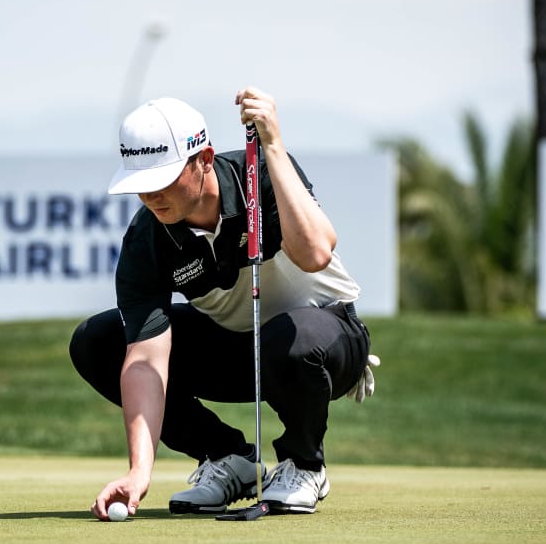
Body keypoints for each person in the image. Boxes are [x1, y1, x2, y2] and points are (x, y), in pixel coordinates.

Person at [70, 87, 377, 521]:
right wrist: (141, 469)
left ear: (205, 160)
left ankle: (305, 464)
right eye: (141, 185)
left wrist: (273, 146)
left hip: (323, 339)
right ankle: (227, 458)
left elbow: (315, 254)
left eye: (163, 180)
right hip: (238, 348)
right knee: (96, 341)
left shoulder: (265, 176)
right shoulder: (149, 238)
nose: (151, 196)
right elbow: (145, 361)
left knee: (291, 342)